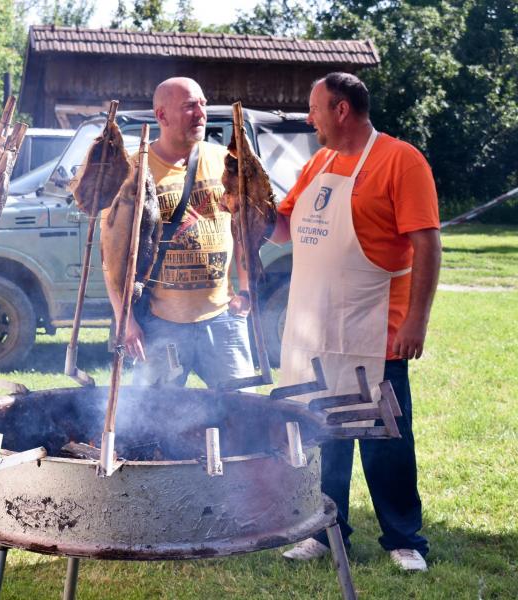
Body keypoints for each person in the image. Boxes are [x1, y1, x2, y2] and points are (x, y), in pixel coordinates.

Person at [274, 72, 441, 571]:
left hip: (376, 332)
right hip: (314, 331)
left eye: (314, 108)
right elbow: (281, 228)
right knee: (322, 432)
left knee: (384, 439)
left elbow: (427, 244)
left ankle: (403, 538)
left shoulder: (400, 160)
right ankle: (326, 530)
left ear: (341, 110)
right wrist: (248, 208)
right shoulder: (318, 162)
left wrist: (417, 319)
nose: (309, 118)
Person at [102, 76, 254, 388]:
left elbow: (242, 233)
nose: (200, 113)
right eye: (189, 107)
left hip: (223, 317)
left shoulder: (225, 161)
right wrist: (125, 320)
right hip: (160, 323)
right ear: (161, 116)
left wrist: (247, 289)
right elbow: (112, 258)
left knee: (243, 412)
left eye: (203, 104)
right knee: (156, 420)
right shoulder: (132, 171)